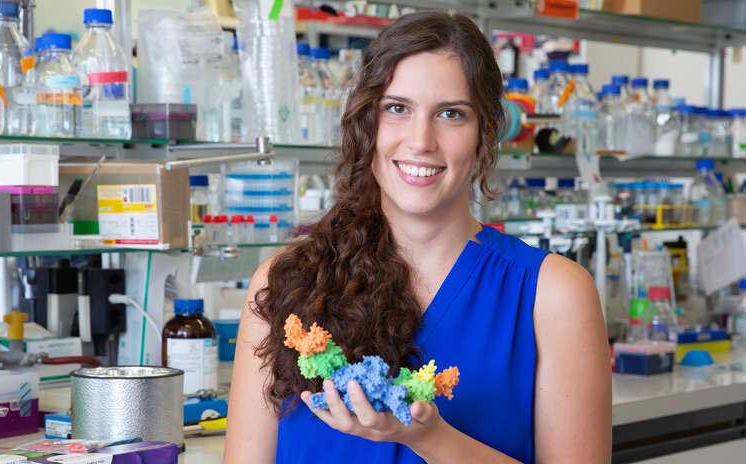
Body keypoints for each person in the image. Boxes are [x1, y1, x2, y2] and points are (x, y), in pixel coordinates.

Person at [224, 11, 610, 464]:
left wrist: (431, 438)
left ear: (485, 135)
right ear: (367, 122)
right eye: (397, 108)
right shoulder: (284, 284)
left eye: (451, 114)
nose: (421, 140)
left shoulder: (554, 293)